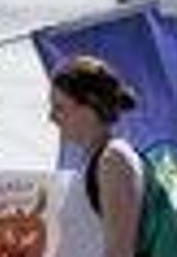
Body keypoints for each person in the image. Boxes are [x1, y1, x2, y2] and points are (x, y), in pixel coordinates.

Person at [49, 56, 146, 257]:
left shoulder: (113, 160)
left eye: (60, 107)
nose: (51, 117)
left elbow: (119, 252)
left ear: (89, 108)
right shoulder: (97, 159)